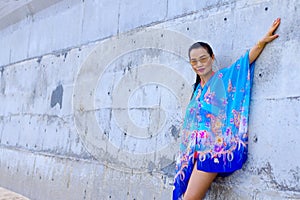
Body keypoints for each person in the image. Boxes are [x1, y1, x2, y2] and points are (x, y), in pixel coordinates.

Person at [173, 18, 281, 200]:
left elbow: (244, 62)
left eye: (203, 59)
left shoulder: (223, 78)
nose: (199, 64)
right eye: (194, 61)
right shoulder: (197, 89)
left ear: (212, 58)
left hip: (212, 152)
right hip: (191, 153)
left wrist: (261, 42)